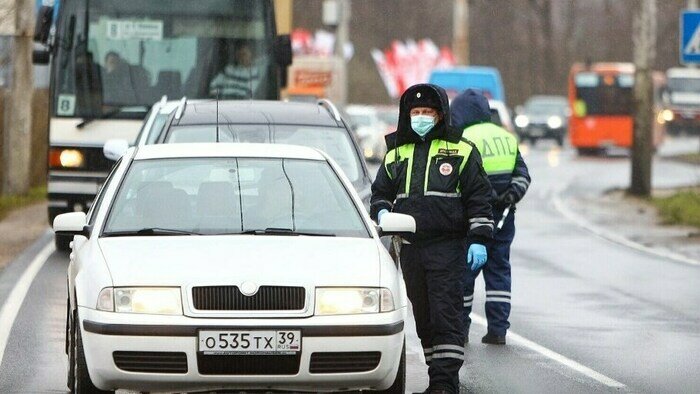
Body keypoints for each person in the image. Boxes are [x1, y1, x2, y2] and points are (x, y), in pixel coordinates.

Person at [371, 84, 494, 394]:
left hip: (447, 247)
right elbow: (380, 193)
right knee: (424, 317)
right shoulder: (397, 152)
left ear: (440, 115)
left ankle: (444, 382)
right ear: (407, 115)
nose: (421, 117)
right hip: (410, 250)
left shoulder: (461, 150)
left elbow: (479, 196)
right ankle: (436, 378)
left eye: (428, 112)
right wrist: (383, 213)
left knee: (446, 314)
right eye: (416, 112)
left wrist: (479, 237)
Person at [450, 89, 531, 345]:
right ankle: (498, 330)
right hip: (504, 218)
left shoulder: (461, 139)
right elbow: (523, 175)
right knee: (499, 273)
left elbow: (454, 181)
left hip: (472, 219)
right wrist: (510, 195)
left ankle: (460, 329)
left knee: (465, 273)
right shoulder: (506, 138)